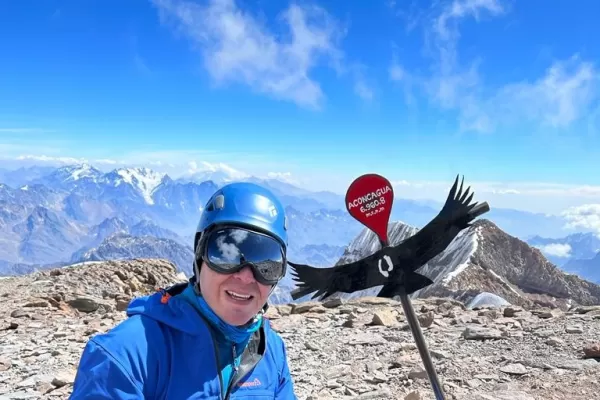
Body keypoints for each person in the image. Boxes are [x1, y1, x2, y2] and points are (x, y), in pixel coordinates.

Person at [69, 182, 297, 399]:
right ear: (200, 256)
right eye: (226, 254)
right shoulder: (127, 353)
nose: (246, 276)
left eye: (267, 265)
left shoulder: (271, 350)